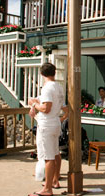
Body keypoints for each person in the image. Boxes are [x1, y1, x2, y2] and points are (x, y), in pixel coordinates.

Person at [28, 63, 68, 196]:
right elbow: (62, 107)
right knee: (56, 153)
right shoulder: (58, 86)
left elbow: (46, 108)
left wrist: (34, 104)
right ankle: (55, 181)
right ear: (54, 73)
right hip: (55, 123)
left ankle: (47, 189)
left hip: (47, 124)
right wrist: (35, 104)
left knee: (48, 157)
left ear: (42, 74)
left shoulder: (47, 88)